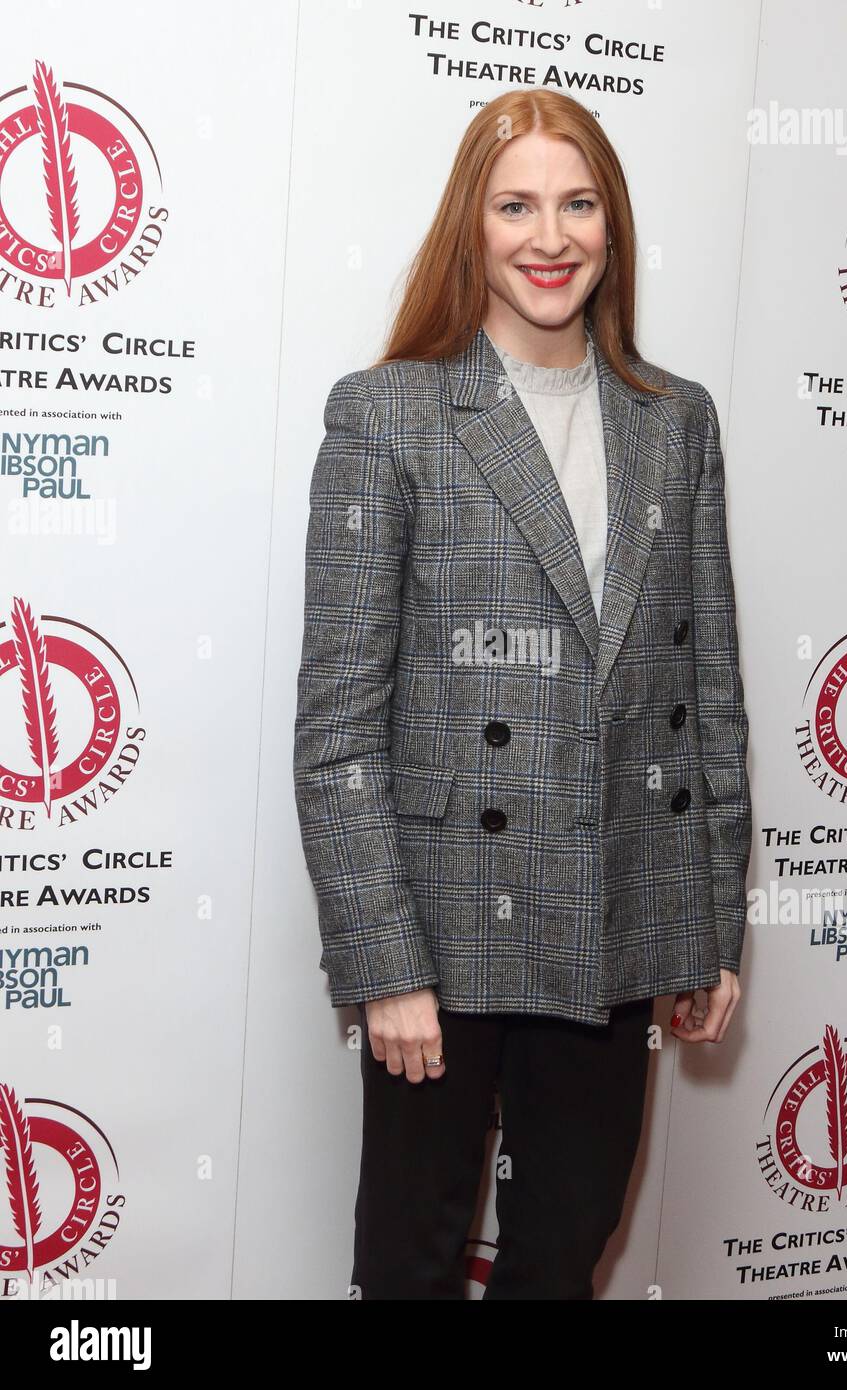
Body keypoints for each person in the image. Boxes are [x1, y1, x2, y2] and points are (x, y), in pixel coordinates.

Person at [293, 87, 752, 1300]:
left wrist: (710, 923)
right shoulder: (387, 413)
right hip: (442, 928)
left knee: (566, 1249)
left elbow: (707, 689)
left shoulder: (676, 420)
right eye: (516, 205)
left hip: (617, 911)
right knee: (409, 1259)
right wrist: (385, 962)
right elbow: (339, 726)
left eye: (577, 203)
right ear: (472, 225)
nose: (549, 236)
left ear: (612, 225)